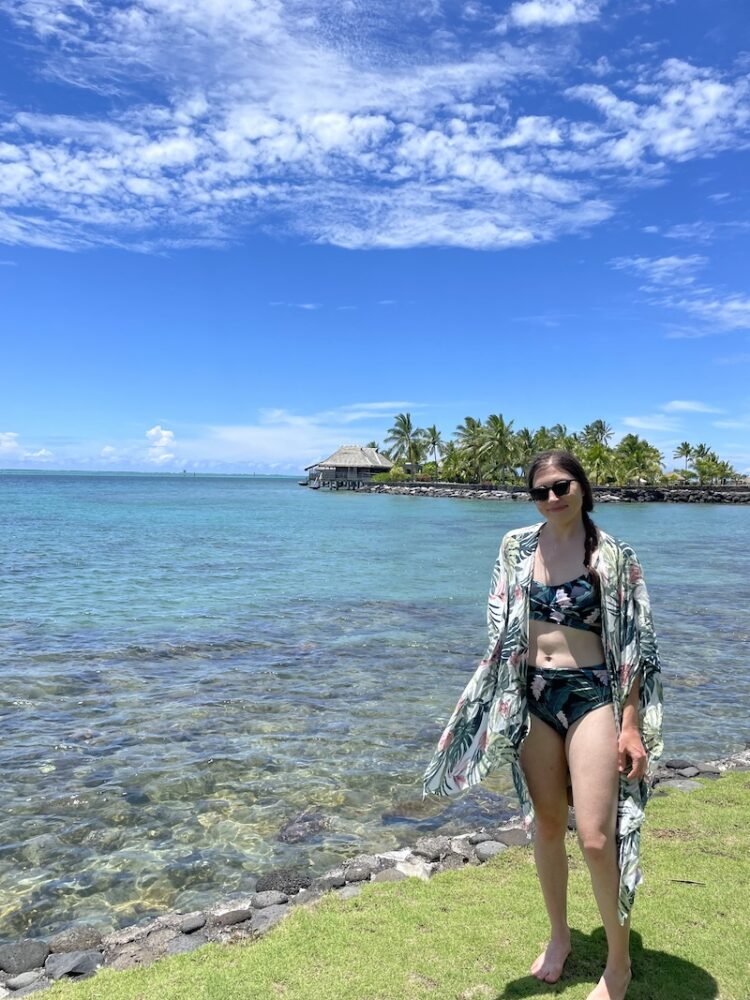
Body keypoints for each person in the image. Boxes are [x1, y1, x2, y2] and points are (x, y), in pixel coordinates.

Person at [423, 450, 663, 1000]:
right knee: (547, 824)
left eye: (562, 486)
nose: (553, 498)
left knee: (599, 838)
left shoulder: (613, 557)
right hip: (530, 694)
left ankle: (618, 962)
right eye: (541, 490)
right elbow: (498, 620)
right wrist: (495, 700)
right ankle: (560, 938)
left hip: (592, 694)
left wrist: (630, 725)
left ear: (582, 487)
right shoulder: (515, 547)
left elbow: (636, 642)